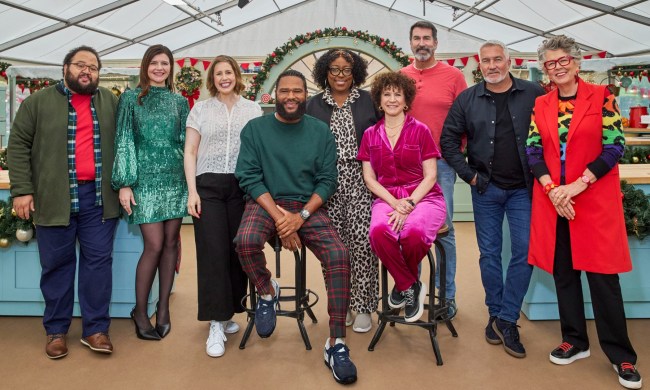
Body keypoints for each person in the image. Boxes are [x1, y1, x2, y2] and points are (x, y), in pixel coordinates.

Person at [526, 35, 642, 389]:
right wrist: (553, 190)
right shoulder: (541, 103)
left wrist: (575, 187)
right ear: (544, 69)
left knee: (603, 279)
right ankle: (575, 340)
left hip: (590, 199)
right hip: (553, 200)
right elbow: (533, 150)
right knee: (564, 274)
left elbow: (615, 146)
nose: (557, 67)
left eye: (563, 61)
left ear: (576, 63)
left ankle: (621, 355)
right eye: (550, 63)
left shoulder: (602, 97)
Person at [234, 70, 356, 385]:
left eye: (297, 91)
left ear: (306, 94)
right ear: (275, 94)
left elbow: (328, 180)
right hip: (265, 203)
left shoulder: (320, 131)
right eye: (285, 91)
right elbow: (249, 176)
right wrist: (280, 219)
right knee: (245, 242)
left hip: (307, 206)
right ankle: (266, 290)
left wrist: (298, 217)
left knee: (339, 255)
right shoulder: (255, 129)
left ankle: (336, 343)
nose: (291, 96)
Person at [8, 45, 119, 358]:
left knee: (99, 264)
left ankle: (96, 329)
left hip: (98, 199)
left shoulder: (109, 101)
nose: (87, 71)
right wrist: (22, 190)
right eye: (80, 65)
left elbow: (124, 143)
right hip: (54, 197)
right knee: (56, 266)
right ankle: (56, 331)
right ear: (65, 68)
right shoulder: (37, 103)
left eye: (93, 67)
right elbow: (17, 146)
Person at [441, 40, 544, 358]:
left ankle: (507, 318)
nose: (492, 65)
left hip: (523, 190)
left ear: (509, 61)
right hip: (485, 189)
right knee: (489, 255)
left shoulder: (535, 93)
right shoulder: (467, 98)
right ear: (479, 65)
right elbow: (447, 140)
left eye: (498, 59)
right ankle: (497, 313)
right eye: (486, 61)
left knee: (524, 252)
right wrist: (469, 175)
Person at [184, 55, 262, 357]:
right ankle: (215, 322)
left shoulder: (253, 109)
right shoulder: (200, 109)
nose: (224, 77)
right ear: (212, 79)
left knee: (236, 250)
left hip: (241, 186)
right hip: (208, 187)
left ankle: (229, 311)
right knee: (212, 251)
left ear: (236, 76)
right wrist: (192, 191)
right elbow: (190, 151)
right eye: (218, 74)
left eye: (228, 72)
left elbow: (257, 151)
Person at [112, 44, 189, 341]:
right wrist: (125, 183)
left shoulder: (180, 101)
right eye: (154, 63)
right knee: (154, 246)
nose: (160, 68)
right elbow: (124, 141)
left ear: (171, 68)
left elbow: (185, 144)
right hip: (144, 181)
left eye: (165, 63)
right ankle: (140, 312)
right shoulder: (131, 99)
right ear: (145, 67)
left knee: (171, 243)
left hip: (175, 180)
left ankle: (164, 308)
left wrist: (191, 184)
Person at [358, 72, 446, 323]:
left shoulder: (421, 130)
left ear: (407, 100)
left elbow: (431, 176)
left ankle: (400, 287)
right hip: (386, 198)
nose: (392, 99)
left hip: (424, 197)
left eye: (398, 94)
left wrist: (408, 204)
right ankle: (410, 284)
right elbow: (369, 179)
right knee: (378, 231)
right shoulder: (370, 134)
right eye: (387, 94)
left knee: (414, 233)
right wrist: (394, 202)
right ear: (379, 100)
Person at [306, 49, 380, 333]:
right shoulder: (313, 105)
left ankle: (364, 307)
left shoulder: (369, 101)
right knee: (334, 250)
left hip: (363, 179)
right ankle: (342, 304)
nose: (340, 75)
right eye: (334, 69)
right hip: (327, 183)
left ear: (355, 73)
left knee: (363, 245)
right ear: (325, 72)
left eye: (346, 70)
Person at [400, 20, 467, 317]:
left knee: (443, 230)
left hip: (441, 165)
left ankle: (445, 296)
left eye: (427, 38)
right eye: (417, 38)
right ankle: (410, 290)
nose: (422, 43)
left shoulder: (453, 76)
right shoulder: (401, 77)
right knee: (406, 229)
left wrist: (456, 153)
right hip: (405, 168)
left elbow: (467, 118)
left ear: (436, 43)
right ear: (411, 43)